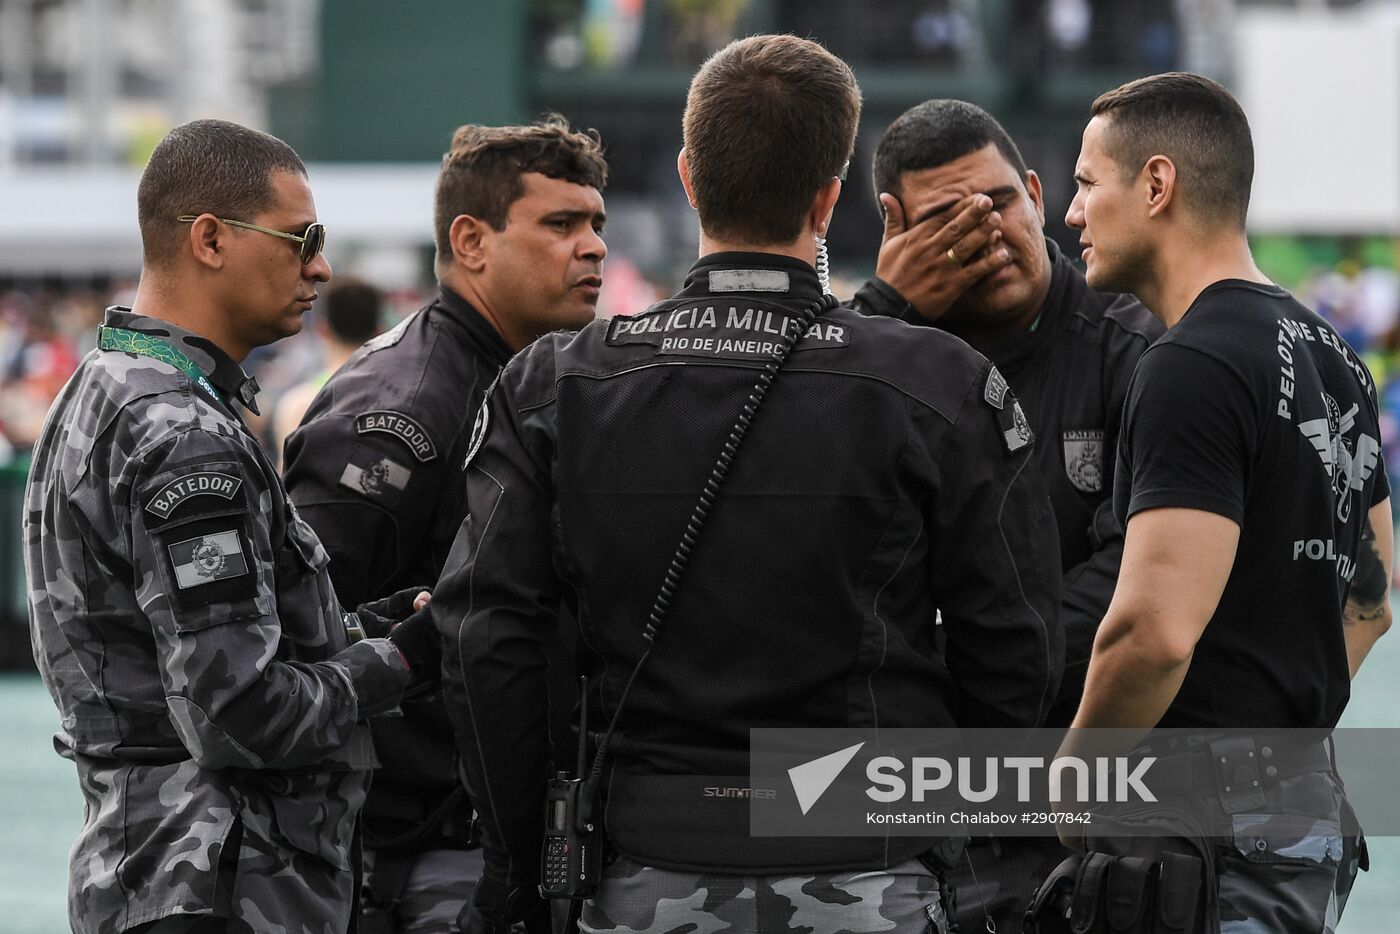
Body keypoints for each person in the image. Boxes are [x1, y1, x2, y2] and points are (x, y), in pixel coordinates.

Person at [435, 34, 1064, 934]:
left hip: (647, 864)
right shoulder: (942, 383)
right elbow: (1017, 650)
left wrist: (520, 863)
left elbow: (486, 646)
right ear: (830, 195)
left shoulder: (554, 385)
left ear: (690, 179)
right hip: (872, 869)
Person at [23, 119, 441, 934]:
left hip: (153, 867)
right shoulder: (184, 432)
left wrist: (356, 632)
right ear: (210, 240)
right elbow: (237, 714)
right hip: (222, 880)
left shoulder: (104, 388)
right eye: (298, 238)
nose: (319, 265)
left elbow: (188, 656)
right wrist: (396, 663)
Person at [1051, 72, 1392, 929]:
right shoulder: (1334, 356)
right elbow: (1373, 602)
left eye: (1088, 183)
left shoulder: (1192, 361)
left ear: (1157, 185)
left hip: (1196, 829)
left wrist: (1075, 775)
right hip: (1299, 809)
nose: (1072, 213)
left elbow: (1155, 631)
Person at [282, 117, 608, 933]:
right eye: (562, 224)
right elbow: (296, 645)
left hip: (479, 836)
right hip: (417, 858)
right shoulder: (405, 410)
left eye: (597, 223)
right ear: (471, 240)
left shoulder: (515, 377)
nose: (594, 247)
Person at [851, 99, 1164, 932]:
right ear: (895, 226)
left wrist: (974, 671)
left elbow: (1140, 571)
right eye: (949, 218)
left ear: (1035, 193)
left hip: (1084, 795)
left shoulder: (1139, 351)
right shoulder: (869, 360)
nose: (986, 232)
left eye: (997, 203)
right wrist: (883, 309)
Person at [270, 276, 383, 462]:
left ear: (323, 329)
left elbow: (285, 483)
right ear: (379, 330)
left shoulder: (298, 406)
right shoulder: (399, 399)